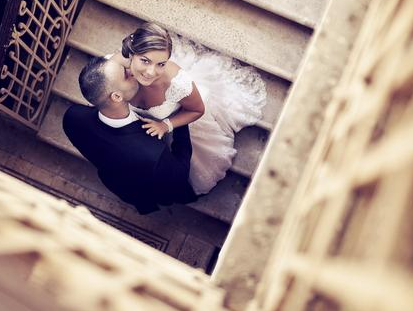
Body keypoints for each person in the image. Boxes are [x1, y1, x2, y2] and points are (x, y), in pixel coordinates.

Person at [111, 22, 266, 194]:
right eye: (145, 61)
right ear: (131, 54)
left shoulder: (178, 84)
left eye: (161, 64)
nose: (151, 72)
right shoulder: (115, 66)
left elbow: (197, 110)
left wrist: (165, 125)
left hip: (174, 128)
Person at [62, 56, 197, 214]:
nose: (132, 71)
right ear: (116, 97)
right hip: (152, 181)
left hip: (116, 180)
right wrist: (178, 119)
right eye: (126, 75)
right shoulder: (153, 154)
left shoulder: (72, 117)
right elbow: (180, 173)